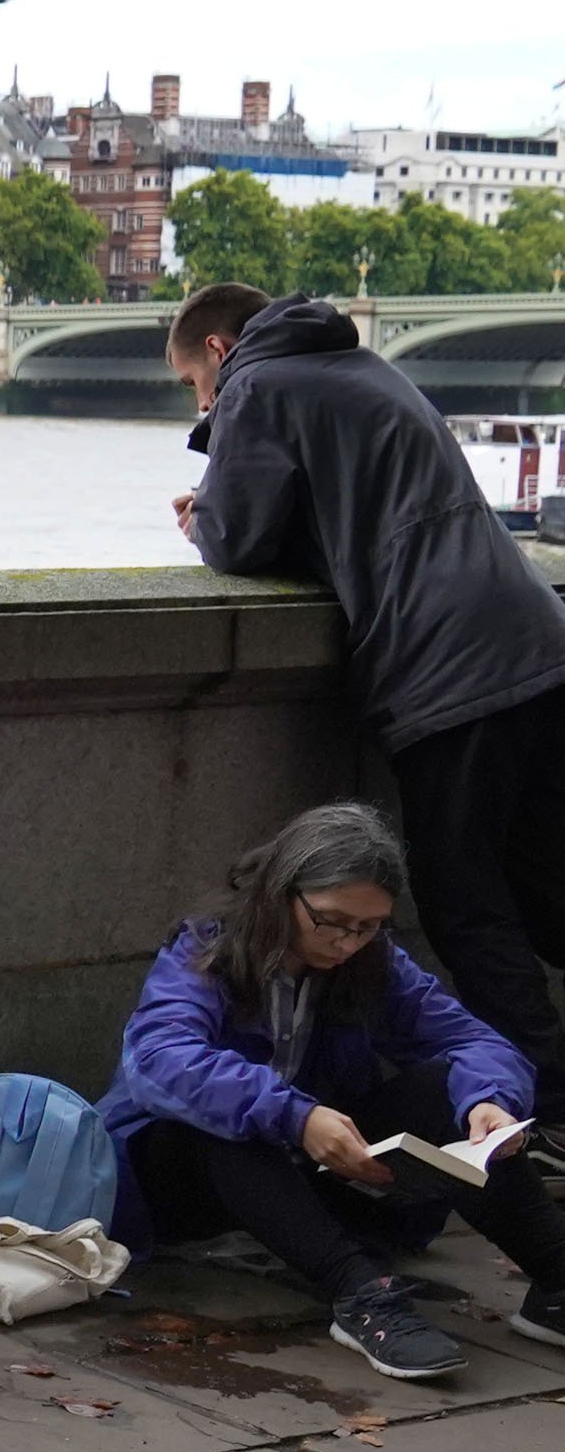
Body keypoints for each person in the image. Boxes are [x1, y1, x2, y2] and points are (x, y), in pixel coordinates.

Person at [170, 283, 565, 1092]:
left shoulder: (257, 382)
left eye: (189, 382)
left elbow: (238, 538)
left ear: (216, 349)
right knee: (547, 882)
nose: (200, 398)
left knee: (464, 899)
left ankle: (547, 1104)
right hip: (536, 640)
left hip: (448, 663)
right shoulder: (358, 364)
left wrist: (203, 510)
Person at [98, 802, 565, 1377]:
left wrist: (489, 1101)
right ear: (282, 893)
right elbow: (160, 1060)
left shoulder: (375, 962)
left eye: (368, 927)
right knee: (218, 1117)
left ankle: (557, 1282)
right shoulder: (208, 950)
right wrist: (296, 1116)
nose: (347, 942)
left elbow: (472, 1040)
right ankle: (363, 1295)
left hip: (313, 1170)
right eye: (331, 921)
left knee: (456, 1087)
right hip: (179, 1181)